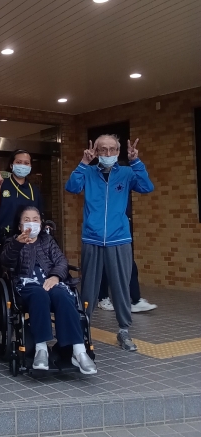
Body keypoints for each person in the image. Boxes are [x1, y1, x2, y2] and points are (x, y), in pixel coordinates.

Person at [66, 135, 154, 351]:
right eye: (103, 149)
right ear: (96, 151)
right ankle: (83, 329)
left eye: (112, 149)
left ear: (118, 152)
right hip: (92, 237)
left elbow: (146, 187)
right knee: (89, 287)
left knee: (121, 286)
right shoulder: (88, 172)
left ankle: (124, 330)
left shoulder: (126, 173)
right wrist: (83, 162)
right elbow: (72, 187)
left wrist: (136, 161)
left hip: (119, 238)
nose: (107, 153)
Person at [1, 206, 97, 374]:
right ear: (19, 225)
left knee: (63, 295)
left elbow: (61, 261)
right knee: (39, 295)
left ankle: (79, 351)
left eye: (35, 219)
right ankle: (41, 349)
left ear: (41, 223)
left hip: (51, 282)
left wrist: (55, 276)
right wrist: (17, 244)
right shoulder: (12, 242)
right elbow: (6, 261)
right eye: (27, 220)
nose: (31, 223)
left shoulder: (48, 240)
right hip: (27, 284)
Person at [0, 150, 44, 281]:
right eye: (19, 162)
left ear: (30, 166)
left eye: (26, 163)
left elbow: (38, 215)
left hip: (25, 239)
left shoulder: (33, 190)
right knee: (2, 278)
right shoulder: (2, 183)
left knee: (23, 274)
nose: (22, 165)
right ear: (12, 165)